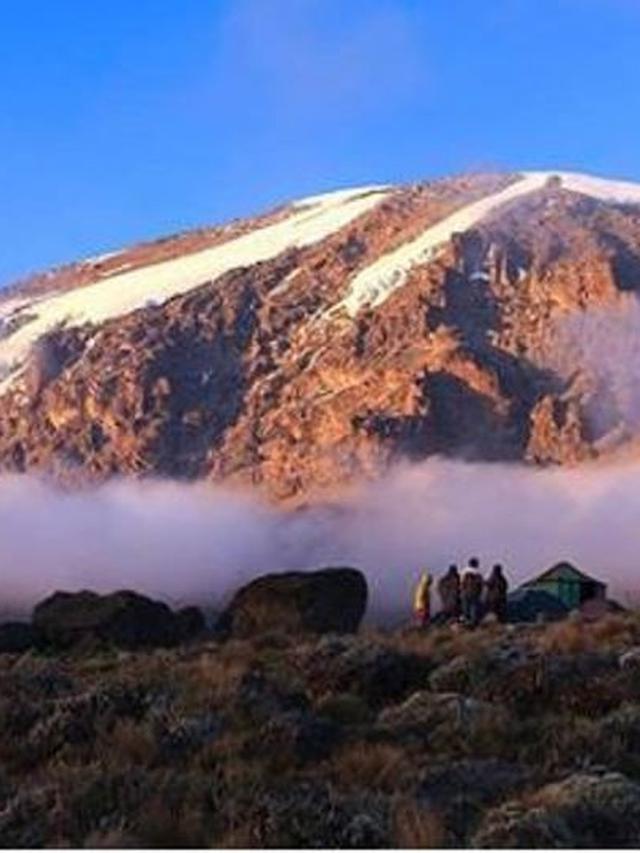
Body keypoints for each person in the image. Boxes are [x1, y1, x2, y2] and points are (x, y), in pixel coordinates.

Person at [461, 557, 483, 627]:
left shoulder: (464, 572)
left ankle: (465, 620)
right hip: (474, 593)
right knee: (473, 607)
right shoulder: (478, 573)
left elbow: (461, 583)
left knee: (465, 607)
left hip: (465, 592)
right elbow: (481, 585)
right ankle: (473, 622)